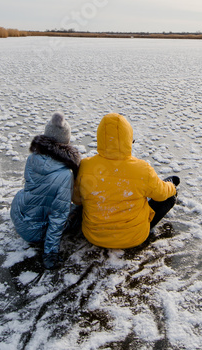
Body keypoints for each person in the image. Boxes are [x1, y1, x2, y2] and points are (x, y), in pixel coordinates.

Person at [73, 113, 179, 249]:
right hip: (134, 237)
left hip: (94, 236)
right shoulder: (142, 169)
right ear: (128, 139)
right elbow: (161, 194)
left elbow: (76, 200)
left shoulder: (85, 166)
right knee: (168, 197)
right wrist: (171, 187)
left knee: (88, 196)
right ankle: (169, 186)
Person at [10, 112, 81, 268]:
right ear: (66, 141)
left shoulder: (32, 158)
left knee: (28, 193)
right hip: (35, 232)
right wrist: (50, 253)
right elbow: (58, 217)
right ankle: (49, 248)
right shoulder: (64, 174)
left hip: (19, 217)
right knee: (78, 212)